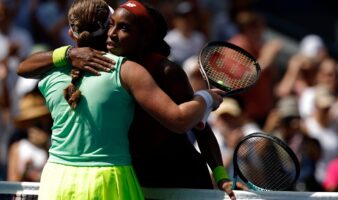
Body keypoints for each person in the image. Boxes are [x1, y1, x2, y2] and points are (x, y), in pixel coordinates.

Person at [18, 1, 234, 199]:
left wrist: (221, 175)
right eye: (111, 25)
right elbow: (24, 67)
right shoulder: (107, 66)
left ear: (144, 37)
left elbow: (199, 127)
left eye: (124, 28)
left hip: (180, 178)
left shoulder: (166, 71)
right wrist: (68, 54)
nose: (111, 33)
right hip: (136, 177)